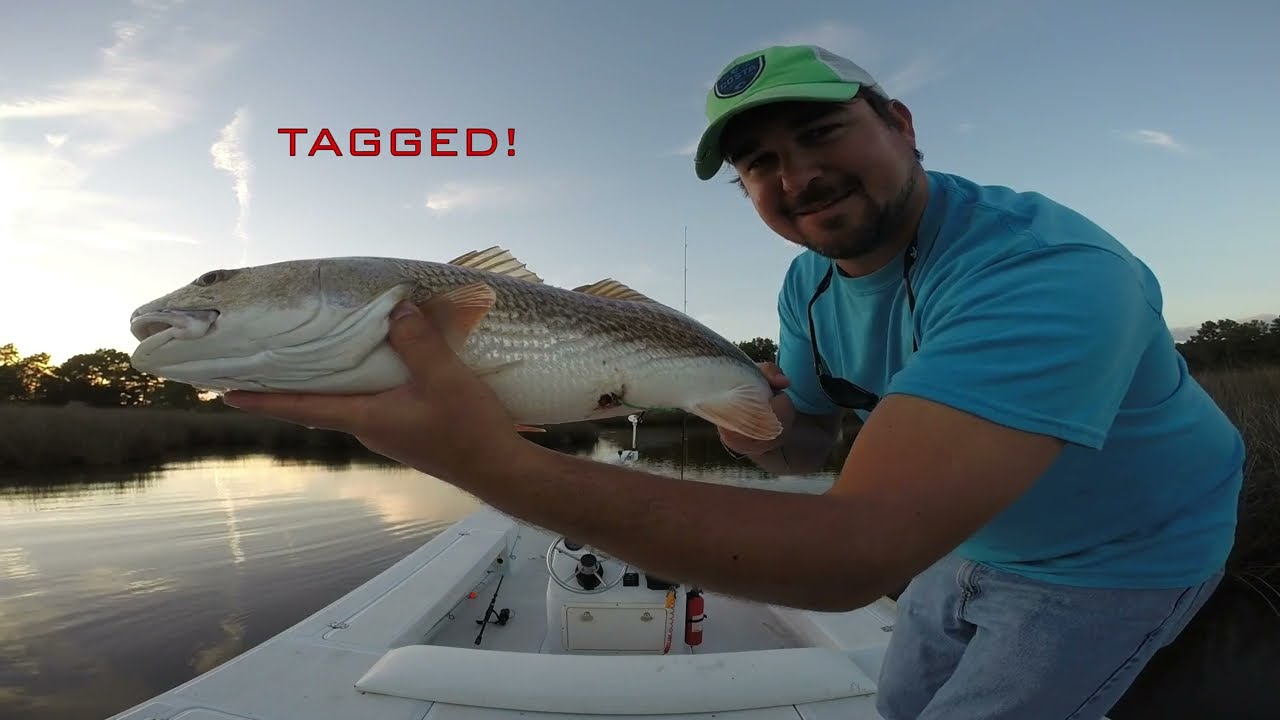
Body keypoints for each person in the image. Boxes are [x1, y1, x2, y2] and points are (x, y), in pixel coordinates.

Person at [223, 44, 1246, 719]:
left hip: (1115, 558)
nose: (793, 177)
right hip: (965, 539)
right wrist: (763, 427)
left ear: (897, 120)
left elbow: (855, 553)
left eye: (817, 134)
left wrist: (479, 459)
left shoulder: (1046, 273)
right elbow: (810, 445)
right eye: (757, 163)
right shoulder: (808, 281)